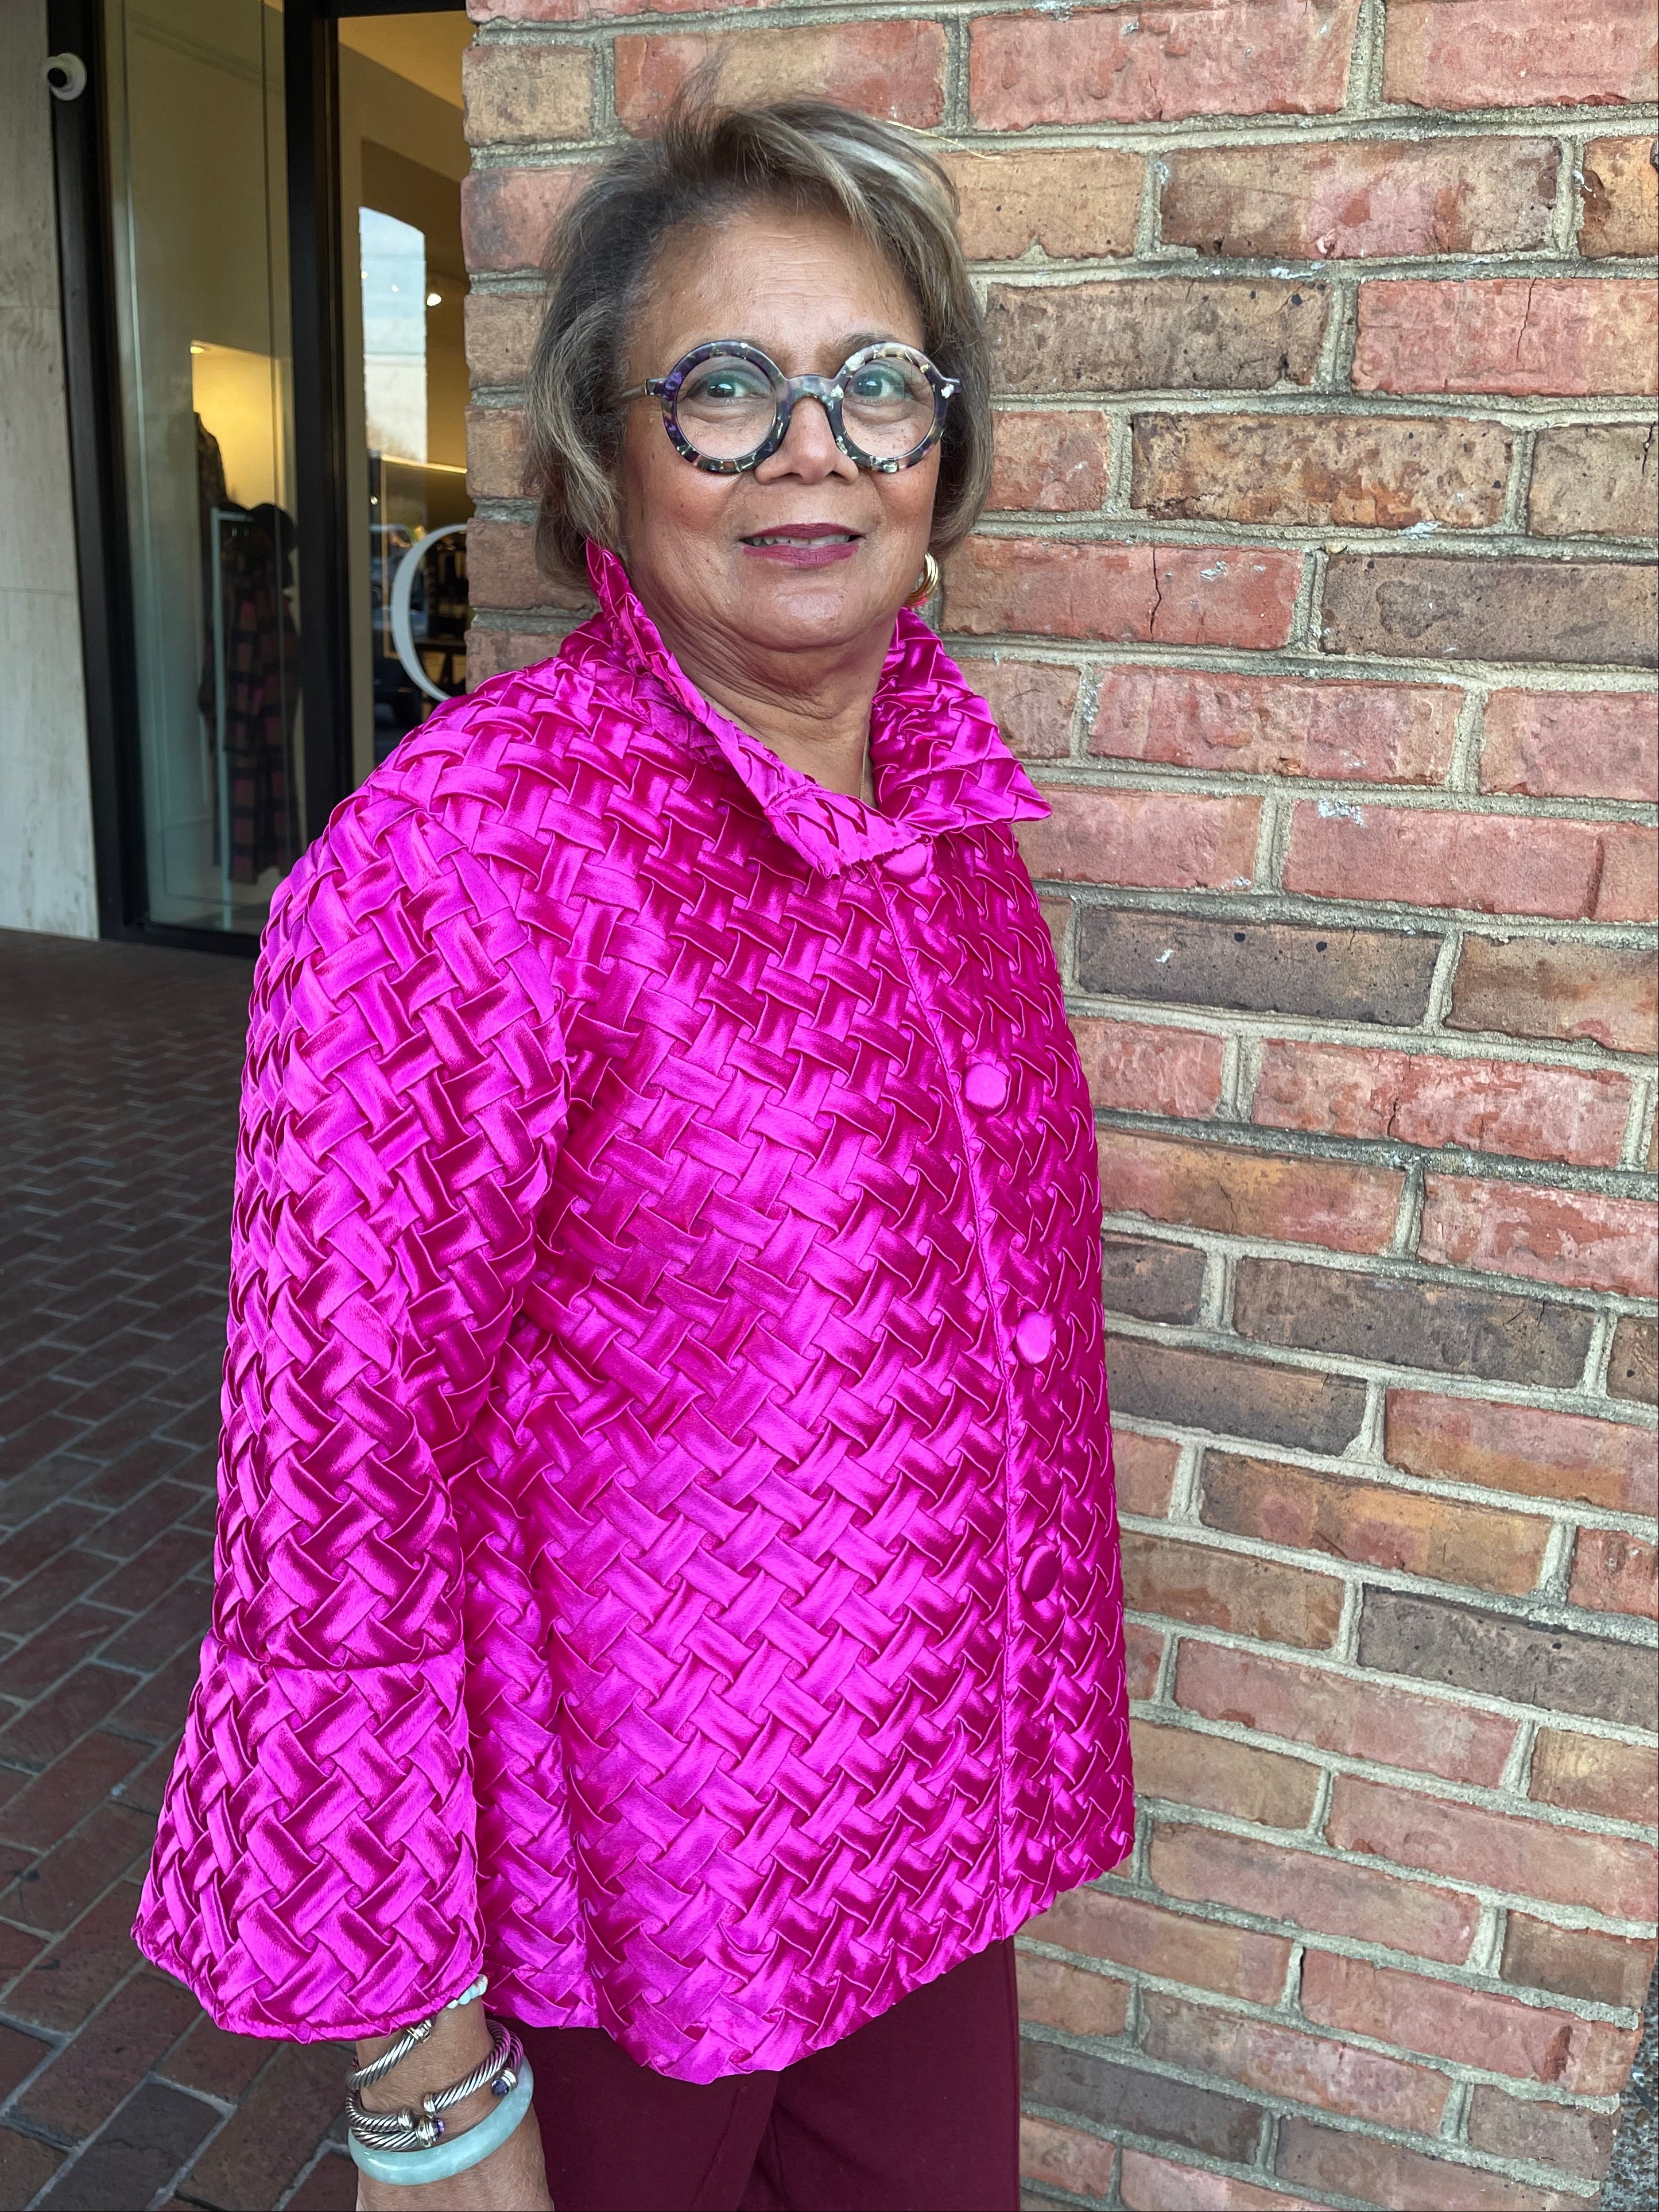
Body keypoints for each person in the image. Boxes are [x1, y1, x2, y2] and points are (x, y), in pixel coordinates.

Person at [134, 98, 1135, 2212]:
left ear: (942, 446)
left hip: (921, 1857)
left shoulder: (945, 818)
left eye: (876, 383)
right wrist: (428, 2098)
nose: (810, 449)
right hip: (622, 1923)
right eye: (724, 387)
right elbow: (331, 1504)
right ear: (606, 452)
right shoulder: (473, 861)